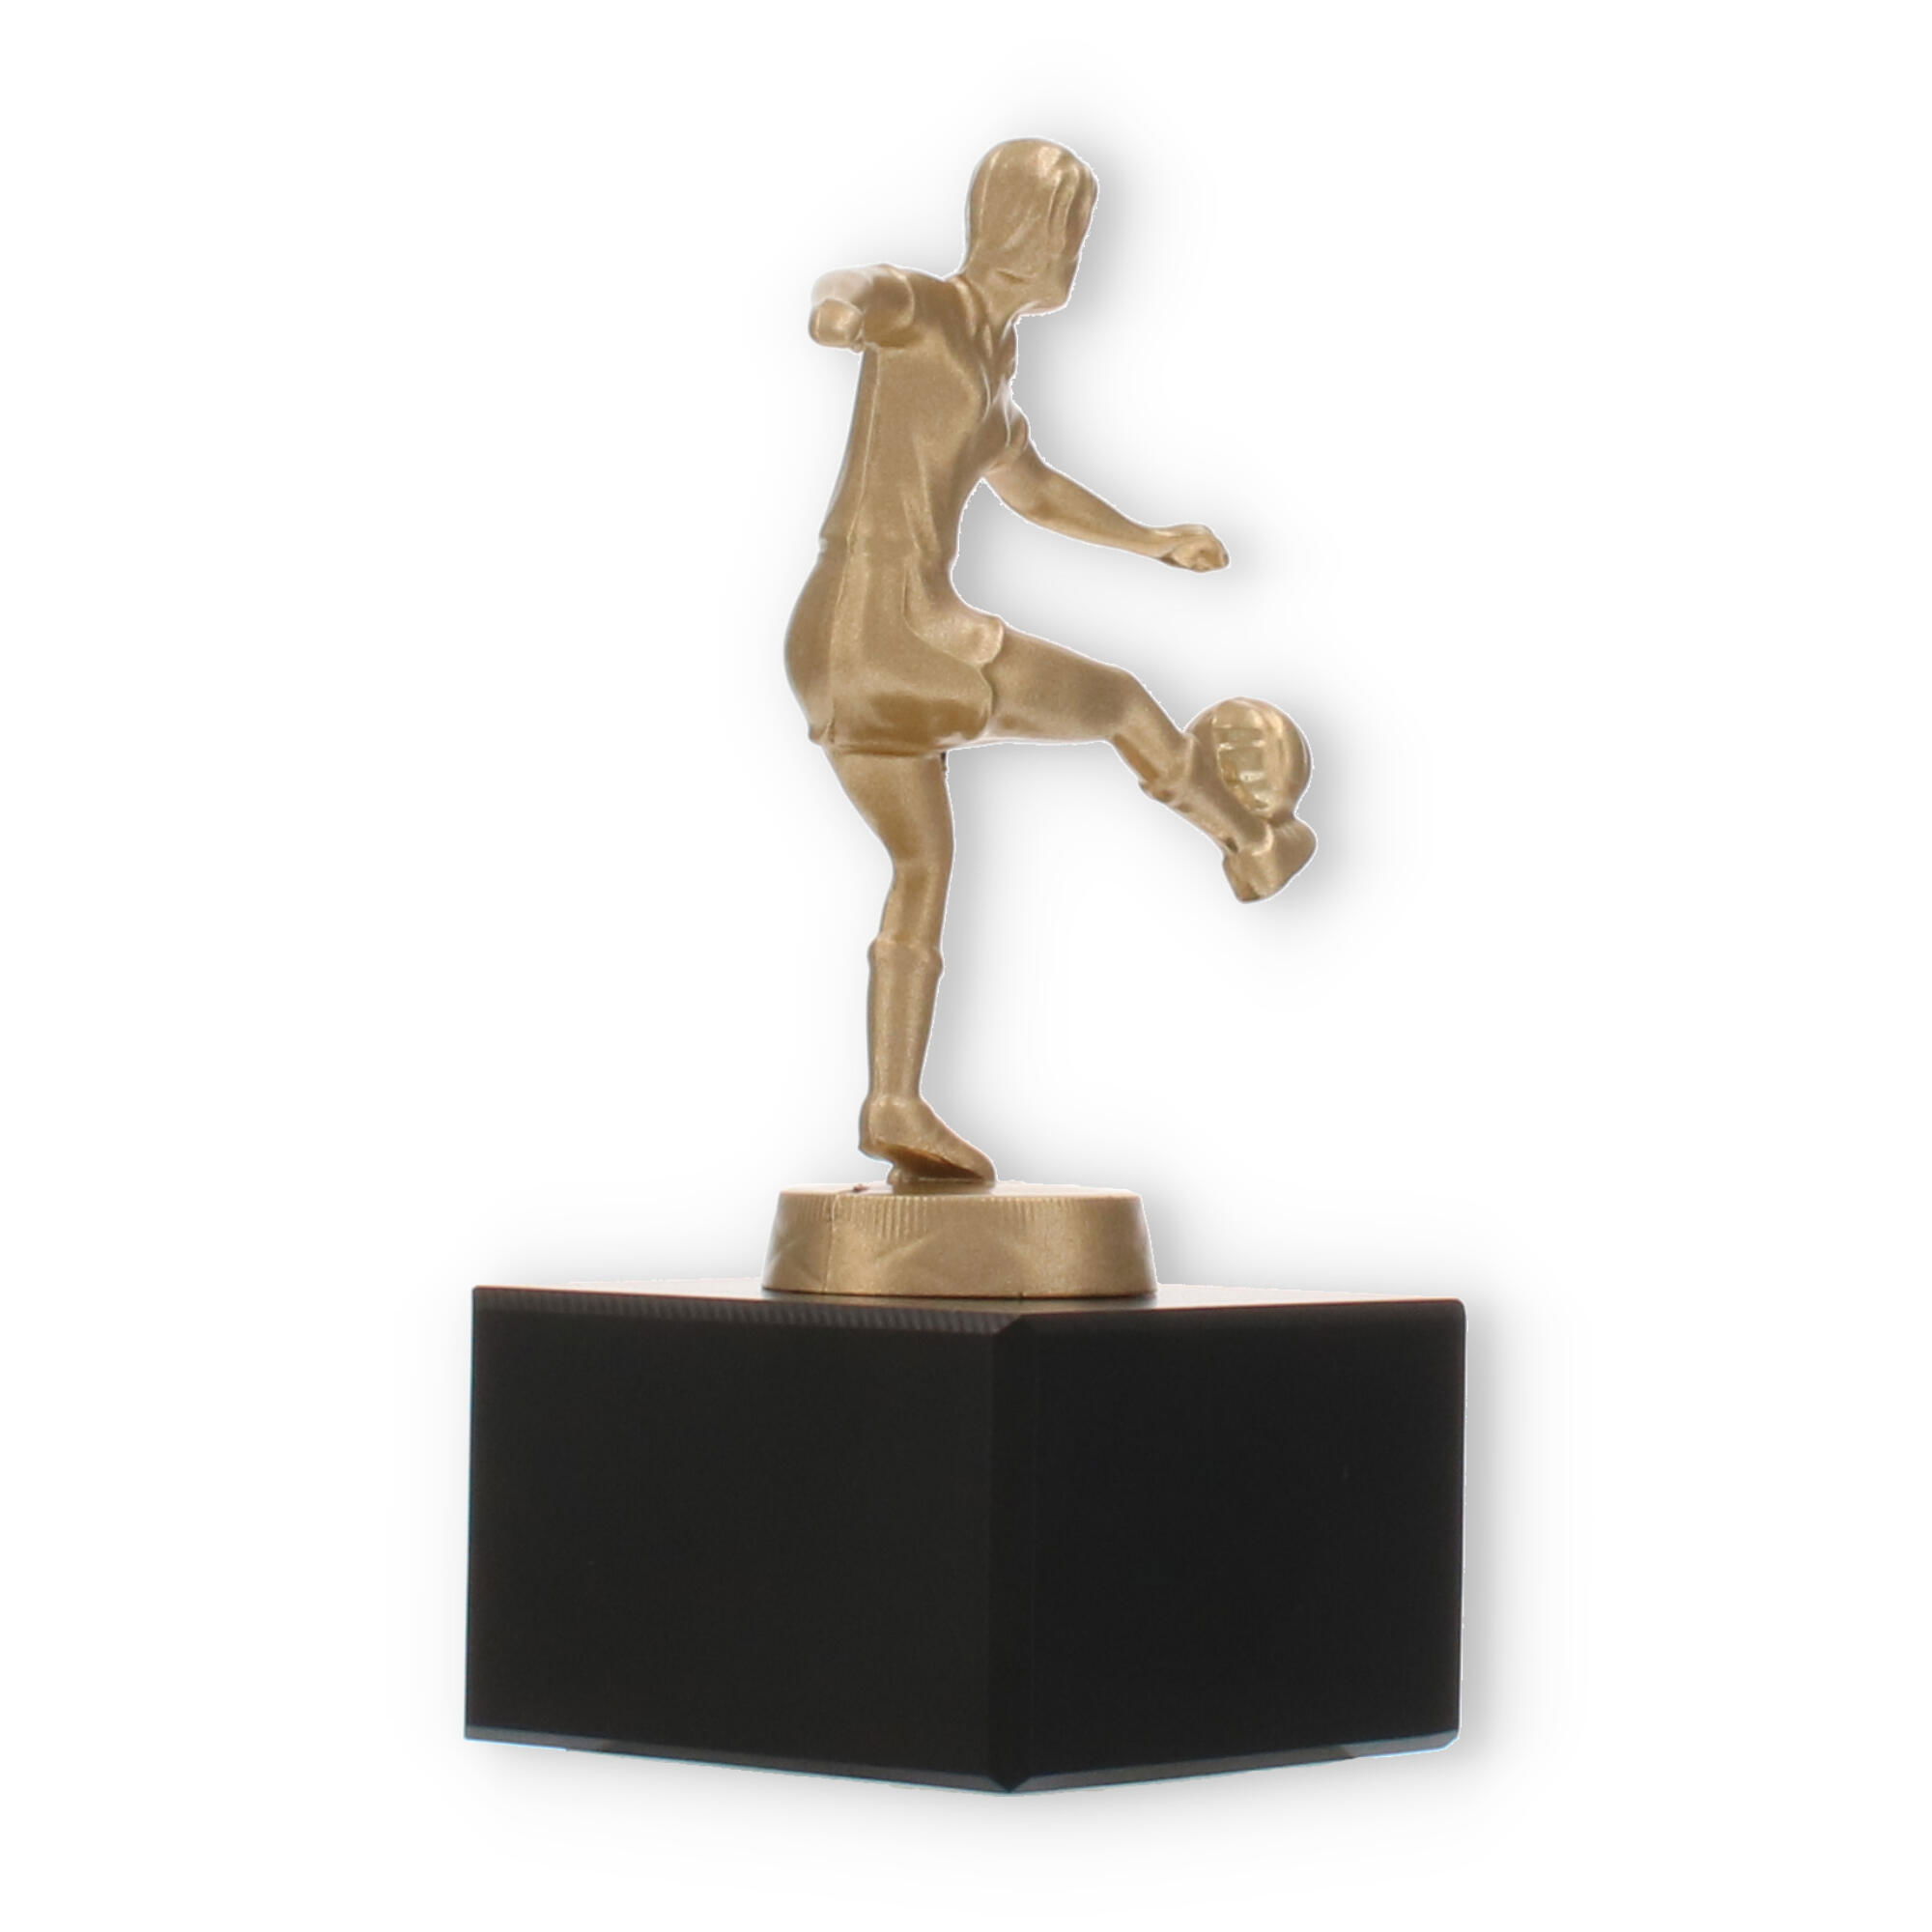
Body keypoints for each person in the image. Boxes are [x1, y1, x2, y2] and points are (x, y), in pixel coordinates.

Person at [788, 138, 1314, 1185]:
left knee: (921, 867)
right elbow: (856, 286)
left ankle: (893, 1100)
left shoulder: (991, 373)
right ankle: (1252, 840)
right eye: (1071, 228)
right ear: (1029, 231)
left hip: (826, 653)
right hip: (900, 632)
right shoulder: (927, 310)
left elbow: (1033, 489)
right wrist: (837, 311)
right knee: (1120, 701)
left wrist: (1151, 539)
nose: (1077, 250)